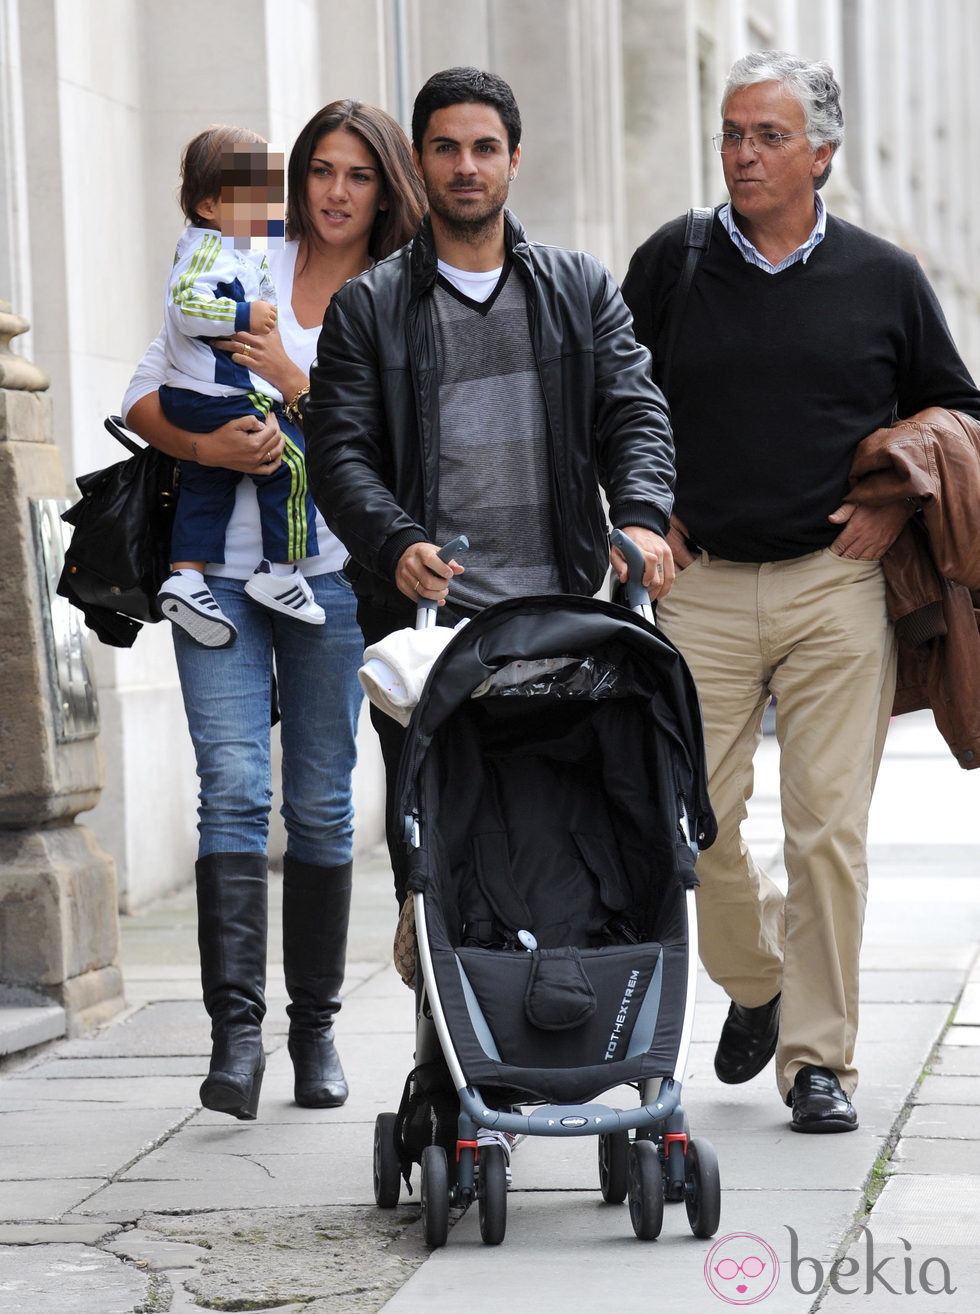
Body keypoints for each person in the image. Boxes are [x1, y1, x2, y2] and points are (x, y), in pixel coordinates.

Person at [621, 50, 980, 1133]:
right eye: (731, 132)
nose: (739, 153)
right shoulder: (670, 263)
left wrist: (888, 508)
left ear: (819, 153)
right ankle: (760, 982)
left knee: (828, 831)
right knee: (692, 820)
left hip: (837, 585)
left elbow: (959, 408)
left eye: (766, 136)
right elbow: (607, 400)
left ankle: (817, 1060)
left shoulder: (882, 276)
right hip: (700, 587)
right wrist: (641, 508)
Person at [304, 66, 676, 914]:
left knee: (572, 846)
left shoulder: (579, 288)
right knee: (433, 862)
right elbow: (339, 454)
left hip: (566, 617)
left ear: (514, 159)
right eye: (445, 149)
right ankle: (442, 1042)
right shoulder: (368, 307)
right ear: (420, 163)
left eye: (483, 148)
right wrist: (396, 543)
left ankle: (563, 1025)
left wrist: (644, 519)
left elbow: (634, 414)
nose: (465, 166)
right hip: (430, 635)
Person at [122, 101, 425, 1120]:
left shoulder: (395, 296)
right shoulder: (239, 255)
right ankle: (236, 1038)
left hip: (328, 583)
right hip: (212, 581)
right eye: (320, 171)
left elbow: (399, 454)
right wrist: (209, 448)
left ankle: (317, 1031)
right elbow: (145, 393)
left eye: (357, 175)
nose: (334, 192)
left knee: (324, 804)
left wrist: (297, 390)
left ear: (385, 190)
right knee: (234, 791)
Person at [155, 127, 324, 648]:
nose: (270, 206)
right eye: (255, 196)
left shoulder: (234, 249)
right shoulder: (211, 249)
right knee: (290, 465)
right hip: (214, 395)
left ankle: (185, 577)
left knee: (208, 482)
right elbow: (186, 306)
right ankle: (281, 572)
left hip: (202, 395)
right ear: (209, 205)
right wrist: (245, 313)